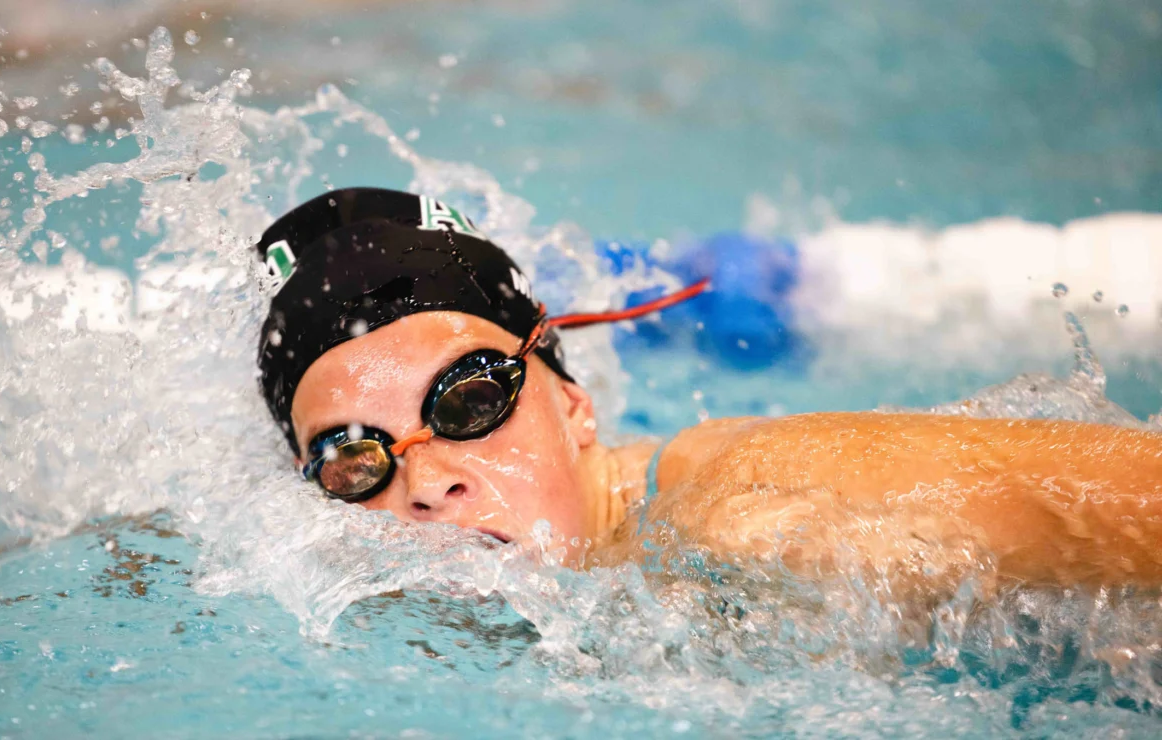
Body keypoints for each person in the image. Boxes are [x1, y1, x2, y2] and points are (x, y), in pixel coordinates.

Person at [256, 187, 1162, 601]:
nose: (425, 484)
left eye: (467, 402)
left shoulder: (748, 507)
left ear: (574, 406)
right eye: (353, 459)